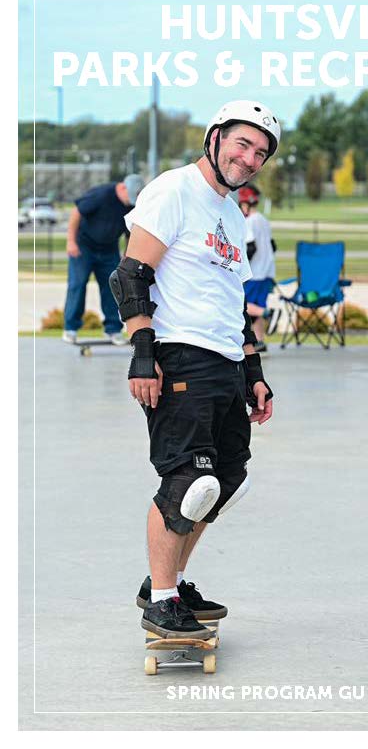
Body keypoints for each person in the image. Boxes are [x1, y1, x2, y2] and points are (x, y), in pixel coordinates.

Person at [111, 100, 280, 638]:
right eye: (242, 144)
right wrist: (143, 353)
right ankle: (160, 602)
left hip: (226, 361)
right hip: (179, 354)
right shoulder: (173, 190)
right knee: (188, 480)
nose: (250, 158)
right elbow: (132, 275)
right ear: (216, 137)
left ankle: (171, 581)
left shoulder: (232, 214)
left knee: (225, 482)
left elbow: (232, 300)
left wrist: (252, 368)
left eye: (261, 152)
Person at [63, 174, 144, 344]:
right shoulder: (100, 195)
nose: (129, 202)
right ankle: (70, 328)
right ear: (122, 187)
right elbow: (76, 212)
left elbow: (131, 233)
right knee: (77, 285)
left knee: (113, 288)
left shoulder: (130, 206)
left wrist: (128, 255)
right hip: (83, 247)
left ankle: (113, 330)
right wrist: (71, 241)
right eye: (129, 197)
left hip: (109, 249)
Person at [239, 183, 279, 353]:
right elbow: (273, 245)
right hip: (268, 271)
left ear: (245, 204)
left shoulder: (249, 222)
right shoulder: (263, 220)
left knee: (245, 306)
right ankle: (259, 341)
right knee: (256, 304)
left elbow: (251, 247)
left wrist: (241, 267)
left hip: (254, 273)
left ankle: (268, 313)